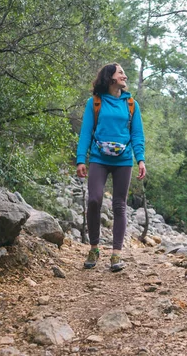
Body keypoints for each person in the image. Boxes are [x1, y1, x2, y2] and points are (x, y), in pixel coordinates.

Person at [76, 63, 146, 272]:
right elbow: (86, 132)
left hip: (123, 160)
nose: (125, 75)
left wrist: (140, 159)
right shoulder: (94, 102)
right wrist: (81, 159)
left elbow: (137, 134)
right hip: (98, 158)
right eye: (121, 72)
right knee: (94, 199)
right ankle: (94, 247)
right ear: (110, 78)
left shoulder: (131, 104)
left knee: (119, 205)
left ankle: (116, 254)